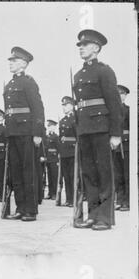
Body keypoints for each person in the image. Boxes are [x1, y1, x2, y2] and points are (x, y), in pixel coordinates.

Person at [73, 30, 122, 230]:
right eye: (80, 45)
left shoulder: (104, 71)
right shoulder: (78, 74)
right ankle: (93, 215)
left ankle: (104, 217)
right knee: (89, 174)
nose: (81, 48)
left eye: (85, 45)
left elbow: (114, 103)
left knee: (103, 172)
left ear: (96, 48)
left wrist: (116, 133)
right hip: (84, 129)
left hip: (101, 127)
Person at [3, 47, 45, 221]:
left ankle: (30, 210)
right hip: (13, 132)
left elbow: (38, 108)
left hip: (27, 132)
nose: (10, 63)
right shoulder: (10, 84)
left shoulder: (28, 82)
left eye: (14, 61)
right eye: (10, 61)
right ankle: (20, 208)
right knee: (16, 172)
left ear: (23, 63)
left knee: (28, 171)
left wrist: (37, 133)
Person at [113, 85, 130, 211]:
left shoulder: (129, 110)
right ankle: (119, 199)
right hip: (115, 147)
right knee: (117, 175)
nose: (120, 96)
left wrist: (121, 137)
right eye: (117, 94)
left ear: (125, 96)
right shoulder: (112, 111)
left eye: (122, 94)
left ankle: (127, 201)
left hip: (125, 145)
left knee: (126, 174)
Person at [58, 96, 76, 207]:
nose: (64, 107)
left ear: (72, 105)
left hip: (73, 151)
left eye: (66, 105)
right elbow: (61, 137)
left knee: (73, 176)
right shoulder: (62, 121)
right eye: (63, 105)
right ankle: (69, 199)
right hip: (64, 152)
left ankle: (74, 199)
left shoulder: (75, 118)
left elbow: (77, 136)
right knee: (66, 177)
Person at [44, 119, 59, 200]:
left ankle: (55, 193)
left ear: (54, 127)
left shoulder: (56, 137)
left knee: (54, 176)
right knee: (49, 177)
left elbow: (58, 148)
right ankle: (50, 193)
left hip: (54, 159)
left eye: (51, 126)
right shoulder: (47, 137)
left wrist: (58, 160)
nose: (50, 128)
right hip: (48, 159)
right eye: (48, 126)